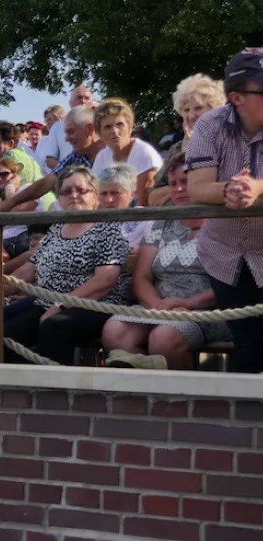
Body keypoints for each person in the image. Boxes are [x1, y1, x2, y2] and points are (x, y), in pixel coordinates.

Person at [103, 152, 230, 369]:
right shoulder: (159, 223)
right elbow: (142, 278)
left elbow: (230, 282)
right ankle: (144, 397)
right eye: (173, 183)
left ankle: (184, 401)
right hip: (161, 306)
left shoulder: (224, 222)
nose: (179, 189)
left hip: (210, 310)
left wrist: (187, 304)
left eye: (186, 181)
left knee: (164, 338)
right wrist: (158, 306)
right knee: (114, 331)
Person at [3, 165, 130, 365]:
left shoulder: (107, 227)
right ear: (60, 199)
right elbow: (29, 269)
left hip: (95, 304)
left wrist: (61, 305)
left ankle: (53, 390)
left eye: (81, 190)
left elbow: (105, 280)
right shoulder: (57, 228)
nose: (74, 195)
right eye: (67, 191)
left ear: (94, 195)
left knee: (54, 327)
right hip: (47, 300)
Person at [187, 47, 263, 372]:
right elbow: (197, 188)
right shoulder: (209, 125)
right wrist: (229, 190)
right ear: (236, 97)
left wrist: (256, 188)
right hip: (225, 254)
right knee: (249, 346)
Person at [0, 105, 105, 212]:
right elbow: (47, 182)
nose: (67, 139)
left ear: (89, 129)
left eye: (70, 132)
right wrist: (9, 204)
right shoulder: (77, 155)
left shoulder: (112, 153)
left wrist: (8, 203)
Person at [149, 74, 227, 206]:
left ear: (215, 110)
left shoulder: (227, 143)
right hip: (175, 222)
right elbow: (153, 198)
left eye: (198, 108)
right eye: (186, 110)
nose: (191, 115)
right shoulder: (176, 149)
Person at [91, 98, 163, 206]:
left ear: (130, 128)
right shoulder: (102, 157)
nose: (114, 131)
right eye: (107, 127)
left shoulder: (145, 154)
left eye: (119, 125)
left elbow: (143, 203)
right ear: (99, 134)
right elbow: (95, 196)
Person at [0, 157, 46, 257]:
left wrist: (9, 188)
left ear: (14, 175)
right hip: (2, 245)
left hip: (26, 240)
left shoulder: (27, 188)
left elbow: (19, 211)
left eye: (4, 174)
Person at [37, 86, 96, 172]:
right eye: (79, 97)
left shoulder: (101, 124)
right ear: (70, 103)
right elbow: (50, 160)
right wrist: (69, 174)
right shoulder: (57, 127)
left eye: (86, 98)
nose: (83, 101)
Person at [98, 162, 149, 248]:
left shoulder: (145, 221)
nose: (109, 200)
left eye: (115, 193)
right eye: (103, 193)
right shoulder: (91, 225)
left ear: (132, 194)